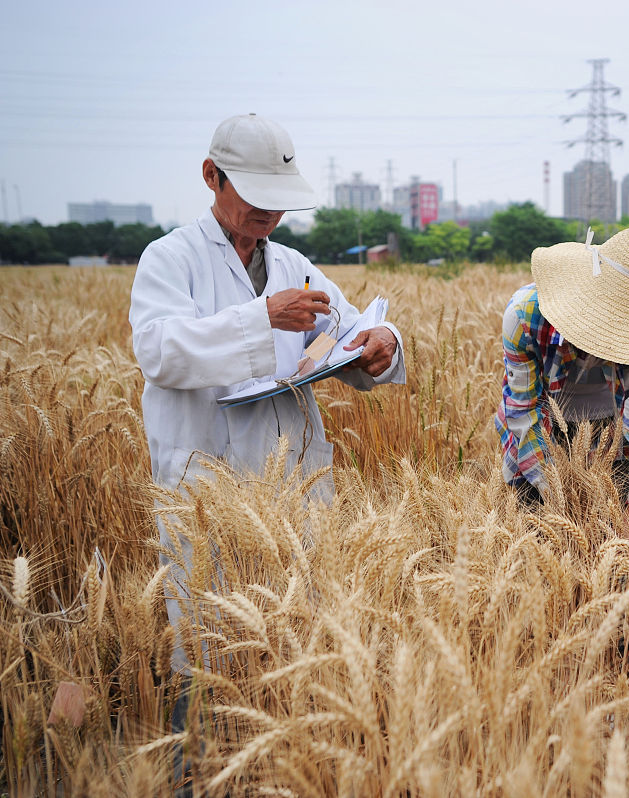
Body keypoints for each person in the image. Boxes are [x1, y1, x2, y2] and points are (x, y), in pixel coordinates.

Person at [129, 114, 405, 793]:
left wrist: (381, 346)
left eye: (278, 199)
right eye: (254, 194)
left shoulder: (292, 265)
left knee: (293, 637)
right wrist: (262, 319)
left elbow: (347, 329)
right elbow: (160, 352)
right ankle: (197, 779)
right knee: (207, 648)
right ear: (211, 176)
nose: (269, 213)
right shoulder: (169, 259)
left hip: (292, 487)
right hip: (208, 488)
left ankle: (283, 775)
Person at [494, 226, 629, 516]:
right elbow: (524, 411)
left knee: (619, 521)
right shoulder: (526, 315)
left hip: (615, 433)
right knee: (535, 522)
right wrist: (559, 498)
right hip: (539, 433)